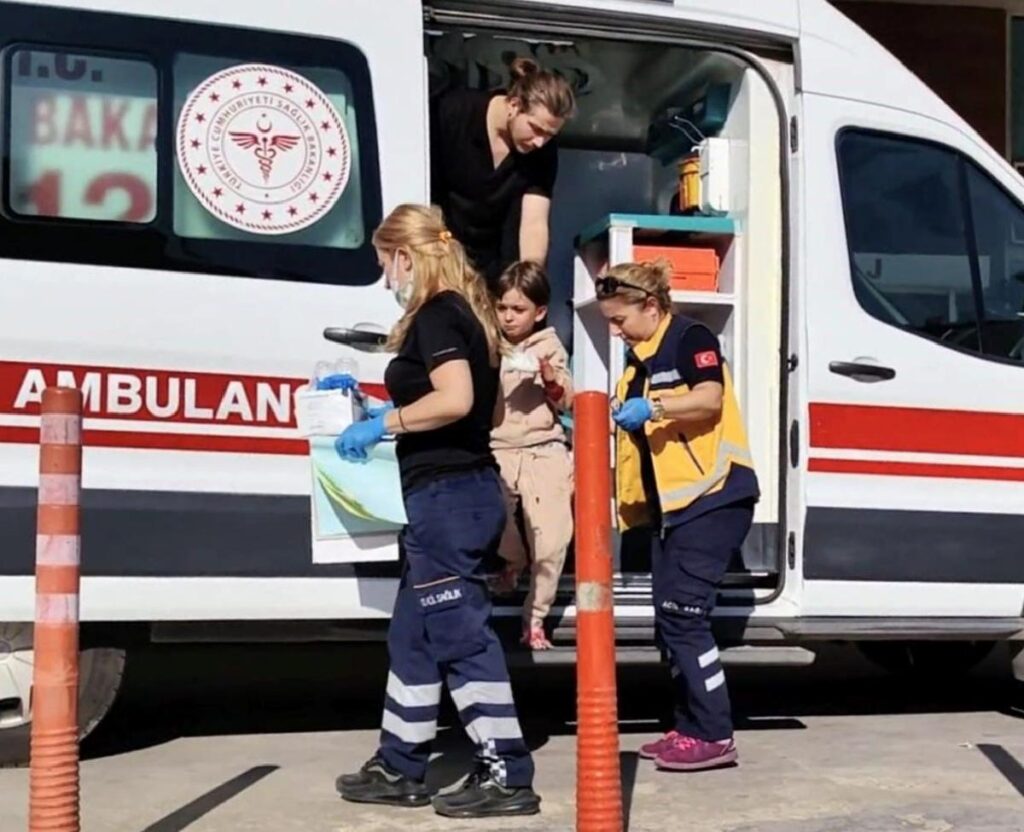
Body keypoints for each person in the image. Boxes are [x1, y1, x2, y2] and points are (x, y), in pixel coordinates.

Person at [329, 204, 540, 817]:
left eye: (384, 264)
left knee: (459, 637)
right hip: (455, 490)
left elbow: (457, 398)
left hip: (446, 496)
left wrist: (386, 423)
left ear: (406, 256)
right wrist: (387, 411)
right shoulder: (470, 316)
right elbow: (486, 414)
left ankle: (507, 772)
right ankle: (401, 764)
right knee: (414, 636)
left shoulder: (438, 314)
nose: (385, 278)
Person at [595, 260, 759, 772]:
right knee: (669, 621)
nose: (614, 330)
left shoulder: (691, 337)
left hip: (715, 495)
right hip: (676, 508)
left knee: (685, 616)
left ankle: (714, 734)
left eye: (621, 320)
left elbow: (710, 398)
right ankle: (688, 727)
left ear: (651, 305)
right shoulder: (635, 362)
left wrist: (656, 409)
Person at [430, 57, 576, 290]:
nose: (540, 142)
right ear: (514, 106)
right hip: (438, 254)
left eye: (550, 135)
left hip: (494, 269)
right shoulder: (453, 112)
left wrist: (529, 285)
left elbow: (534, 223)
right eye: (536, 129)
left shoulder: (543, 151)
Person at [489, 261, 574, 650]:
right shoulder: (488, 342)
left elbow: (568, 400)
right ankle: (513, 561)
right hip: (499, 448)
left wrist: (551, 380)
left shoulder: (549, 346)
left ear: (539, 312)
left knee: (552, 538)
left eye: (518, 310)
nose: (508, 317)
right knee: (496, 521)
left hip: (543, 449)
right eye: (502, 307)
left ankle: (535, 617)